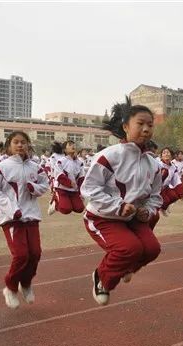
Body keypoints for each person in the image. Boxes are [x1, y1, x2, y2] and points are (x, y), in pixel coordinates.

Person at [81, 99, 162, 305]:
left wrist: (148, 211)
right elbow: (89, 189)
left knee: (152, 249)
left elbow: (155, 195)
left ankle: (125, 268)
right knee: (129, 248)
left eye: (150, 125)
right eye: (140, 124)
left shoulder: (153, 164)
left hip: (132, 218)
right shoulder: (109, 156)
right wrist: (118, 206)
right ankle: (102, 278)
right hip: (103, 217)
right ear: (126, 127)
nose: (146, 129)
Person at [0, 131, 49, 309]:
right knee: (21, 255)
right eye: (16, 142)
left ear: (28, 145)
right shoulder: (2, 166)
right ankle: (11, 286)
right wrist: (12, 209)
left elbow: (44, 185)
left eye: (23, 142)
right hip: (11, 219)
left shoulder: (35, 166)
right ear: (9, 145)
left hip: (31, 216)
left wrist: (35, 188)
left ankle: (27, 283)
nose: (20, 145)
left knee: (35, 254)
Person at [51, 140, 85, 215]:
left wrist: (80, 191)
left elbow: (81, 178)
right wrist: (70, 183)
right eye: (70, 145)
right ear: (65, 150)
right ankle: (56, 202)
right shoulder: (61, 161)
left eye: (73, 144)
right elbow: (59, 175)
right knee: (65, 209)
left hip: (73, 190)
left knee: (80, 209)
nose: (73, 146)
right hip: (62, 189)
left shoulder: (79, 163)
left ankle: (68, 201)